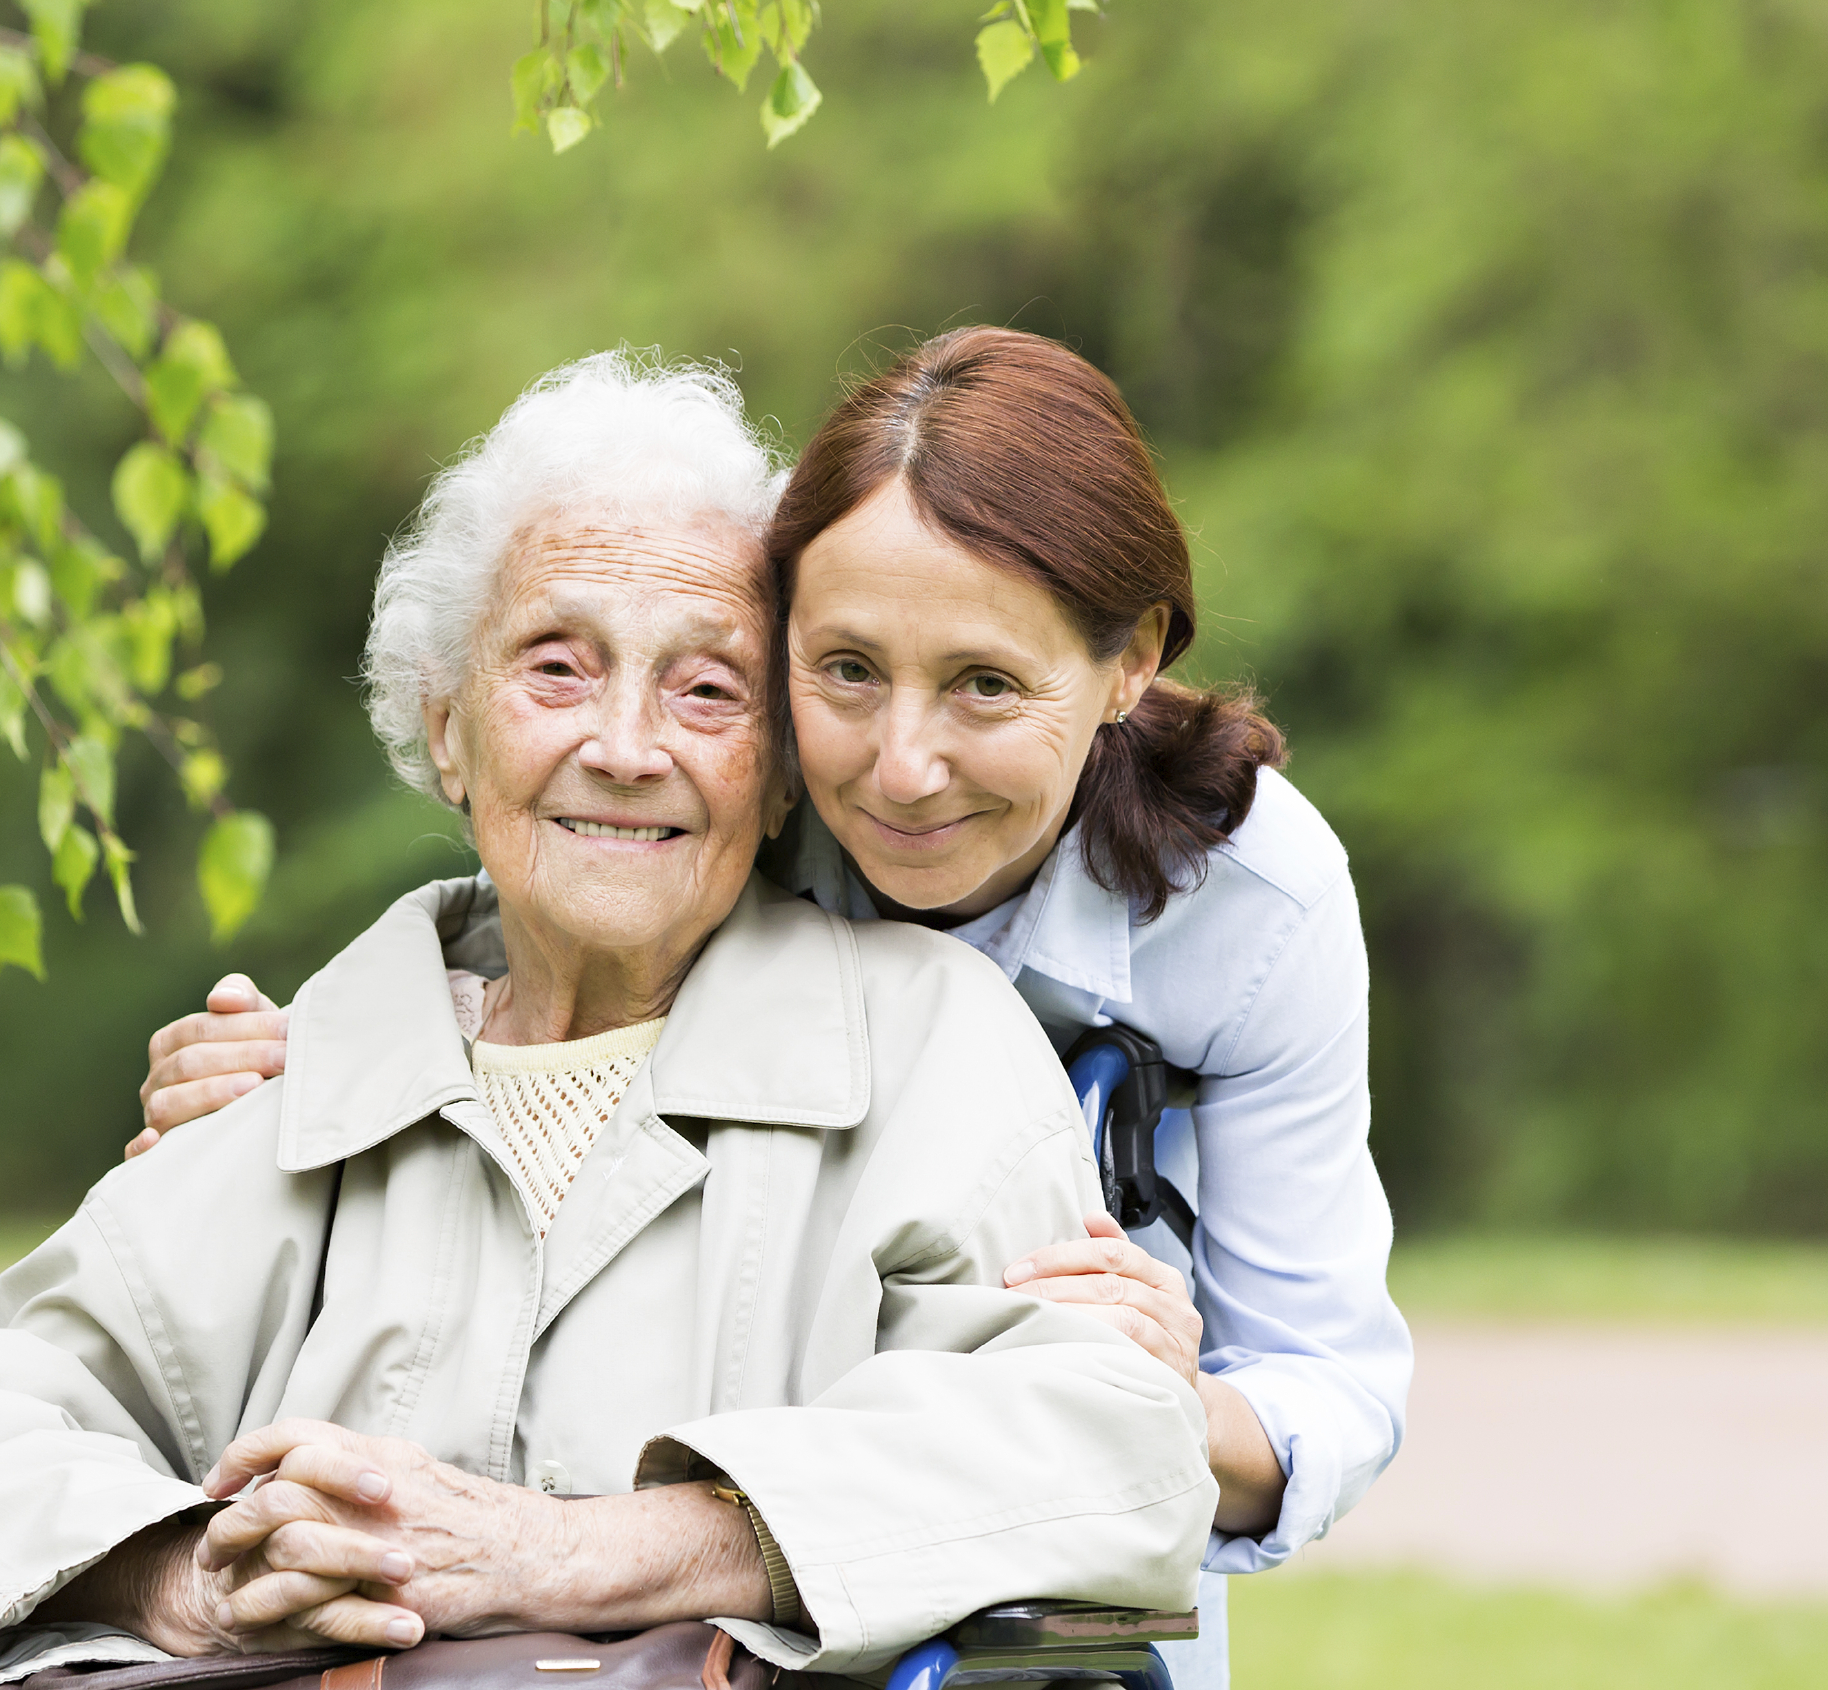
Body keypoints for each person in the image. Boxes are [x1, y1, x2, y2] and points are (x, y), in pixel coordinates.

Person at [0, 354, 1213, 1690]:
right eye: (557, 665)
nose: (627, 744)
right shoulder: (302, 1077)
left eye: (708, 687)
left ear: (780, 767)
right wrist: (188, 1580)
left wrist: (566, 1550)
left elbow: (1106, 1448)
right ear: (448, 726)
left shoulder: (927, 1043)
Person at [131, 329, 1414, 1689]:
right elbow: (557, 917)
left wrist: (1157, 1400)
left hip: (1026, 1533)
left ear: (1129, 660)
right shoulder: (726, 782)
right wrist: (326, 1063)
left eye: (985, 683)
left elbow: (1328, 1383)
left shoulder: (1250, 902)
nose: (900, 769)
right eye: (846, 669)